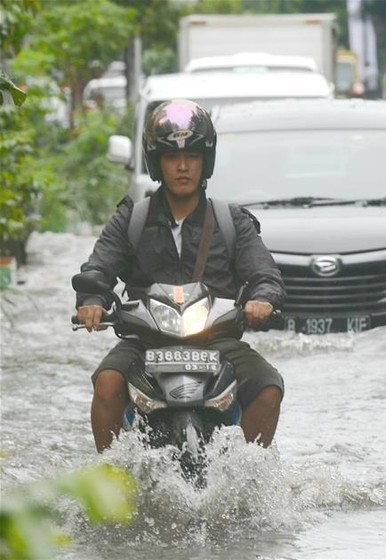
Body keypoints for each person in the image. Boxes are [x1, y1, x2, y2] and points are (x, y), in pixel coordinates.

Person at [74, 99, 285, 453]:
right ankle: (111, 478)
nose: (183, 167)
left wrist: (262, 298)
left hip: (218, 342)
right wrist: (92, 300)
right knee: (108, 382)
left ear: (207, 161)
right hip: (145, 342)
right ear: (157, 164)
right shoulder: (132, 218)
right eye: (172, 158)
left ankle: (246, 476)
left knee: (268, 387)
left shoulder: (232, 221)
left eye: (192, 157)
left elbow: (264, 271)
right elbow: (99, 267)